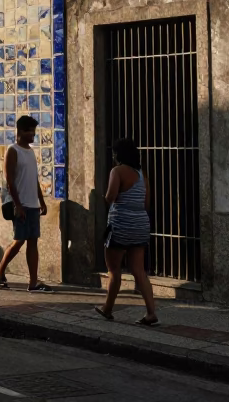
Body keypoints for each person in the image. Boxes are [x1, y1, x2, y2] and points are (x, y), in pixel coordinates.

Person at [94, 137, 159, 325]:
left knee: (114, 270)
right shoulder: (142, 175)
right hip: (140, 224)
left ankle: (107, 309)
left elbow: (110, 197)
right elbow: (146, 203)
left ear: (118, 154)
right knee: (139, 270)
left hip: (120, 224)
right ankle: (151, 312)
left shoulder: (117, 171)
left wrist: (105, 195)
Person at [0, 115, 51, 292]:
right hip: (21, 204)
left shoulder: (31, 151)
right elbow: (10, 180)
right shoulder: (13, 151)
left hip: (33, 204)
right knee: (19, 241)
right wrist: (17, 205)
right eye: (29, 130)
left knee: (33, 242)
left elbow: (34, 179)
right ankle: (0, 271)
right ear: (20, 131)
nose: (32, 134)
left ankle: (33, 283)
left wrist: (41, 201)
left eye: (33, 130)